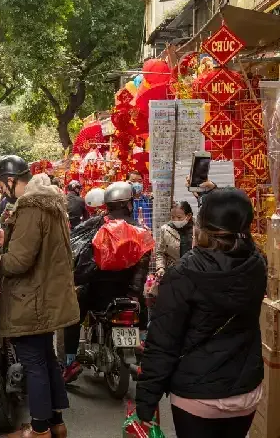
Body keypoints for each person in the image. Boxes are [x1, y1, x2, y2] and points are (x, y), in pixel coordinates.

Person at [136, 188, 265, 438]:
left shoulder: (184, 273)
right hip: (245, 391)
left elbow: (163, 342)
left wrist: (146, 402)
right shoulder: (257, 265)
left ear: (201, 225)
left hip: (196, 396)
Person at [0, 156, 79, 438]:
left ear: (10, 181)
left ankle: (40, 429)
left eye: (1, 185)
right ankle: (56, 423)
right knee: (45, 358)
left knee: (34, 362)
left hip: (31, 299)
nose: (1, 191)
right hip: (46, 296)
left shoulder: (31, 209)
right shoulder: (50, 204)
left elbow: (19, 261)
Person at [63, 182, 151, 383]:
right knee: (143, 313)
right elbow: (142, 267)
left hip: (97, 292)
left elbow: (76, 249)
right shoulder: (141, 230)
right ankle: (140, 345)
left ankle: (70, 363)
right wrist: (134, 292)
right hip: (129, 293)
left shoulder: (95, 225)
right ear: (129, 204)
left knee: (72, 318)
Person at [150, 201, 194, 298]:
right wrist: (160, 267)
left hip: (194, 276)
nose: (175, 220)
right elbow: (160, 252)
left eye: (179, 217)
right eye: (172, 217)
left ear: (188, 216)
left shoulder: (197, 230)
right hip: (173, 275)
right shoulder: (165, 230)